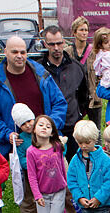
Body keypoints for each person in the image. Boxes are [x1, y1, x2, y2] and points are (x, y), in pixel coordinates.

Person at [0, 36, 67, 161]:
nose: (19, 56)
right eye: (14, 52)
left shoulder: (41, 74)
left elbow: (60, 103)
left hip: (47, 143)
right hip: (20, 148)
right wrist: (7, 134)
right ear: (5, 52)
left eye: (22, 52)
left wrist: (50, 126)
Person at [27, 115, 77, 213]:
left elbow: (62, 166)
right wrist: (37, 195)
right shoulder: (31, 151)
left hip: (59, 190)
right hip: (42, 194)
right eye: (41, 125)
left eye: (48, 126)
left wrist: (68, 183)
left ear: (53, 132)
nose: (44, 128)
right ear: (34, 129)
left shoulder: (57, 146)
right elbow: (31, 176)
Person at [39, 26, 87, 160]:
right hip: (47, 131)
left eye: (59, 43)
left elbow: (83, 95)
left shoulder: (76, 67)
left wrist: (78, 114)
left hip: (72, 129)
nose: (56, 48)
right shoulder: (38, 70)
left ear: (64, 42)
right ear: (45, 44)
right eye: (52, 44)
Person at [67, 119, 110, 213]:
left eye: (87, 142)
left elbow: (108, 182)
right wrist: (80, 198)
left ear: (95, 139)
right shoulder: (75, 160)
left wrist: (98, 198)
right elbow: (72, 181)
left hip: (101, 204)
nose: (83, 146)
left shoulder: (104, 159)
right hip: (85, 205)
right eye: (80, 143)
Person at [67, 16, 102, 126]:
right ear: (74, 32)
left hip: (93, 97)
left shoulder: (94, 51)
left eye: (86, 30)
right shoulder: (67, 52)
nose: (84, 33)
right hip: (75, 98)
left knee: (96, 130)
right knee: (76, 128)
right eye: (81, 30)